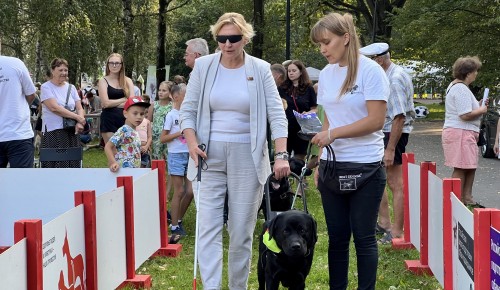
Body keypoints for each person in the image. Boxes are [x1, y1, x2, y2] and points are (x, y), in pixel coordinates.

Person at [179, 12, 290, 289]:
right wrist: (191, 142)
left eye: (234, 38)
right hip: (208, 156)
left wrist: (281, 154)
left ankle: (237, 286)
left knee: (241, 231)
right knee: (208, 228)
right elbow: (188, 111)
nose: (227, 44)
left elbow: (277, 115)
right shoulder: (203, 66)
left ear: (245, 38)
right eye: (222, 39)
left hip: (248, 157)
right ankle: (212, 286)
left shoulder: (260, 68)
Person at [310, 12, 389, 289]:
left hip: (366, 166)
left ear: (345, 38)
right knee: (338, 238)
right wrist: (320, 162)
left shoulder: (371, 71)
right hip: (333, 166)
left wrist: (333, 134)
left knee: (364, 237)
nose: (322, 49)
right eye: (318, 44)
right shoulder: (328, 74)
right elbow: (330, 117)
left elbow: (376, 120)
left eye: (326, 42)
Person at [359, 42, 415, 244]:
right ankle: (384, 223)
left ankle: (397, 231)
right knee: (380, 179)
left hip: (393, 133)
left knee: (394, 183)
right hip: (384, 131)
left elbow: (399, 117)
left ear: (379, 60)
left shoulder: (395, 79)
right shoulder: (385, 75)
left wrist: (391, 149)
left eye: (367, 61)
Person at [442, 56, 487, 206]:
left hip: (463, 132)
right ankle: (456, 201)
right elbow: (465, 115)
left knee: (469, 166)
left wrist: (478, 106)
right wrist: (481, 110)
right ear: (468, 73)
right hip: (460, 132)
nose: (476, 74)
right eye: (475, 71)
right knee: (461, 166)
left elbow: (465, 109)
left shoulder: (458, 87)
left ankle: (467, 199)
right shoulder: (460, 88)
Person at [160, 84, 192, 243]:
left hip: (190, 154)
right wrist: (181, 132)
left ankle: (177, 219)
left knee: (191, 192)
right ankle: (174, 227)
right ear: (177, 96)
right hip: (176, 155)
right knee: (179, 191)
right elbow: (163, 138)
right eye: (187, 94)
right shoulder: (172, 115)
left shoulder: (191, 114)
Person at [40, 58, 86, 168]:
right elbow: (54, 108)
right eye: (60, 70)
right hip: (53, 132)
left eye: (66, 70)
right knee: (55, 164)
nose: (64, 73)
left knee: (73, 162)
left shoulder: (72, 87)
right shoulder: (46, 87)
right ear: (52, 71)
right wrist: (77, 118)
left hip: (71, 131)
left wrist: (80, 122)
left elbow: (79, 108)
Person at [0, 55, 37, 168]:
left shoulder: (16, 63)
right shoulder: (15, 63)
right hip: (19, 133)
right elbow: (31, 95)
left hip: (19, 135)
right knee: (23, 183)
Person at [279, 60, 317, 161]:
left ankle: (299, 175)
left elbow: (315, 108)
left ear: (301, 72)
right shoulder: (282, 88)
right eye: (289, 71)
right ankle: (283, 176)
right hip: (286, 127)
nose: (291, 73)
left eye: (294, 71)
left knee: (299, 157)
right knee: (283, 155)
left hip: (302, 128)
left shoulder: (308, 88)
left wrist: (308, 113)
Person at [105, 96, 150, 172]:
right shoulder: (124, 130)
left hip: (133, 171)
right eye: (135, 113)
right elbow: (108, 147)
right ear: (125, 114)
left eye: (141, 114)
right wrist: (113, 162)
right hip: (123, 171)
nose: (139, 117)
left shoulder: (135, 131)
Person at [98, 53, 135, 144]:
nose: (114, 65)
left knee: (127, 152)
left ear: (121, 65)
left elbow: (132, 102)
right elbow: (105, 103)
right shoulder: (103, 81)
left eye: (117, 63)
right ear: (108, 65)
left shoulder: (128, 81)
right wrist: (124, 99)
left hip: (126, 120)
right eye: (111, 63)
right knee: (112, 153)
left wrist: (112, 103)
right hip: (109, 120)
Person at [147, 81, 173, 161]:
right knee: (156, 162)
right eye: (159, 90)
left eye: (164, 91)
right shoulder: (154, 105)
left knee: (170, 161)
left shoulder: (173, 106)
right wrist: (148, 138)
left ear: (170, 92)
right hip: (155, 138)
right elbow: (148, 122)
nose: (160, 92)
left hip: (169, 136)